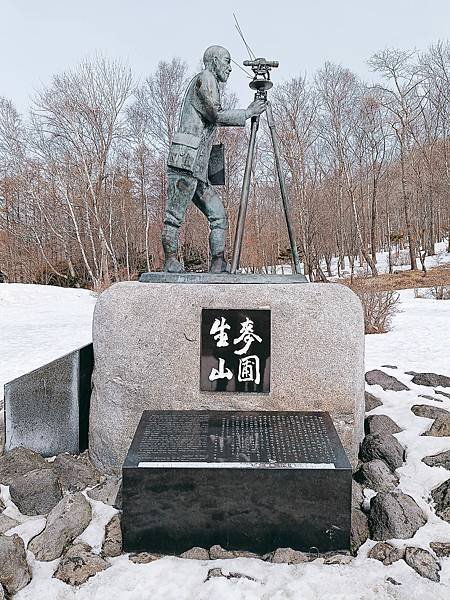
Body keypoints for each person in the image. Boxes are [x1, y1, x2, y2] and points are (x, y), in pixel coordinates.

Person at [162, 45, 266, 273]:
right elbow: (215, 115)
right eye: (227, 61)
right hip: (185, 162)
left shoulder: (211, 82)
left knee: (218, 215)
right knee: (174, 216)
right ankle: (170, 261)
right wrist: (247, 113)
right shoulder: (205, 79)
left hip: (199, 167)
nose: (230, 68)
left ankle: (218, 264)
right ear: (214, 61)